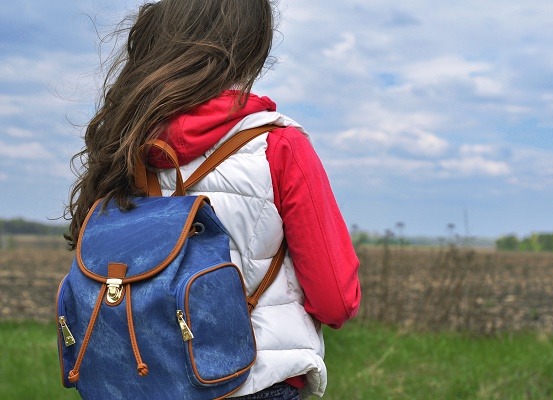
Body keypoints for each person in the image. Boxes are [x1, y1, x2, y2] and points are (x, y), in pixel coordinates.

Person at [65, 0, 361, 398]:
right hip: (252, 378)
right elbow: (336, 300)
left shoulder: (124, 145)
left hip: (139, 380)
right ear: (251, 49)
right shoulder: (277, 146)